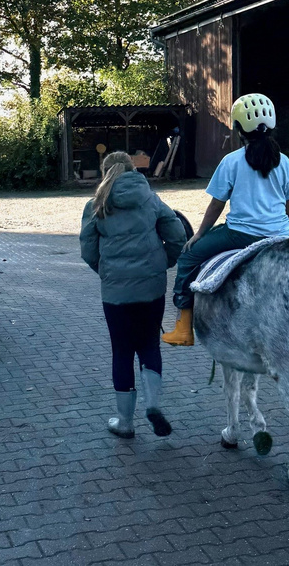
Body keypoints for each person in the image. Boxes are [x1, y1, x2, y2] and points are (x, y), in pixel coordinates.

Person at [162, 93, 289, 346]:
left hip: (240, 234)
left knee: (187, 258)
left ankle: (183, 328)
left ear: (238, 128)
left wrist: (198, 235)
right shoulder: (283, 162)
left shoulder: (231, 161)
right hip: (280, 234)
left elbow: (217, 205)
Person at [80, 151, 187, 439]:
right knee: (150, 344)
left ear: (105, 172)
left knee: (122, 351)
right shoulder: (151, 199)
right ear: (131, 170)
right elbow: (177, 235)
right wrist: (163, 263)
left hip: (116, 292)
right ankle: (153, 405)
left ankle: (125, 422)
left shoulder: (96, 205)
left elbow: (87, 250)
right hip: (151, 288)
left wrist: (106, 271)